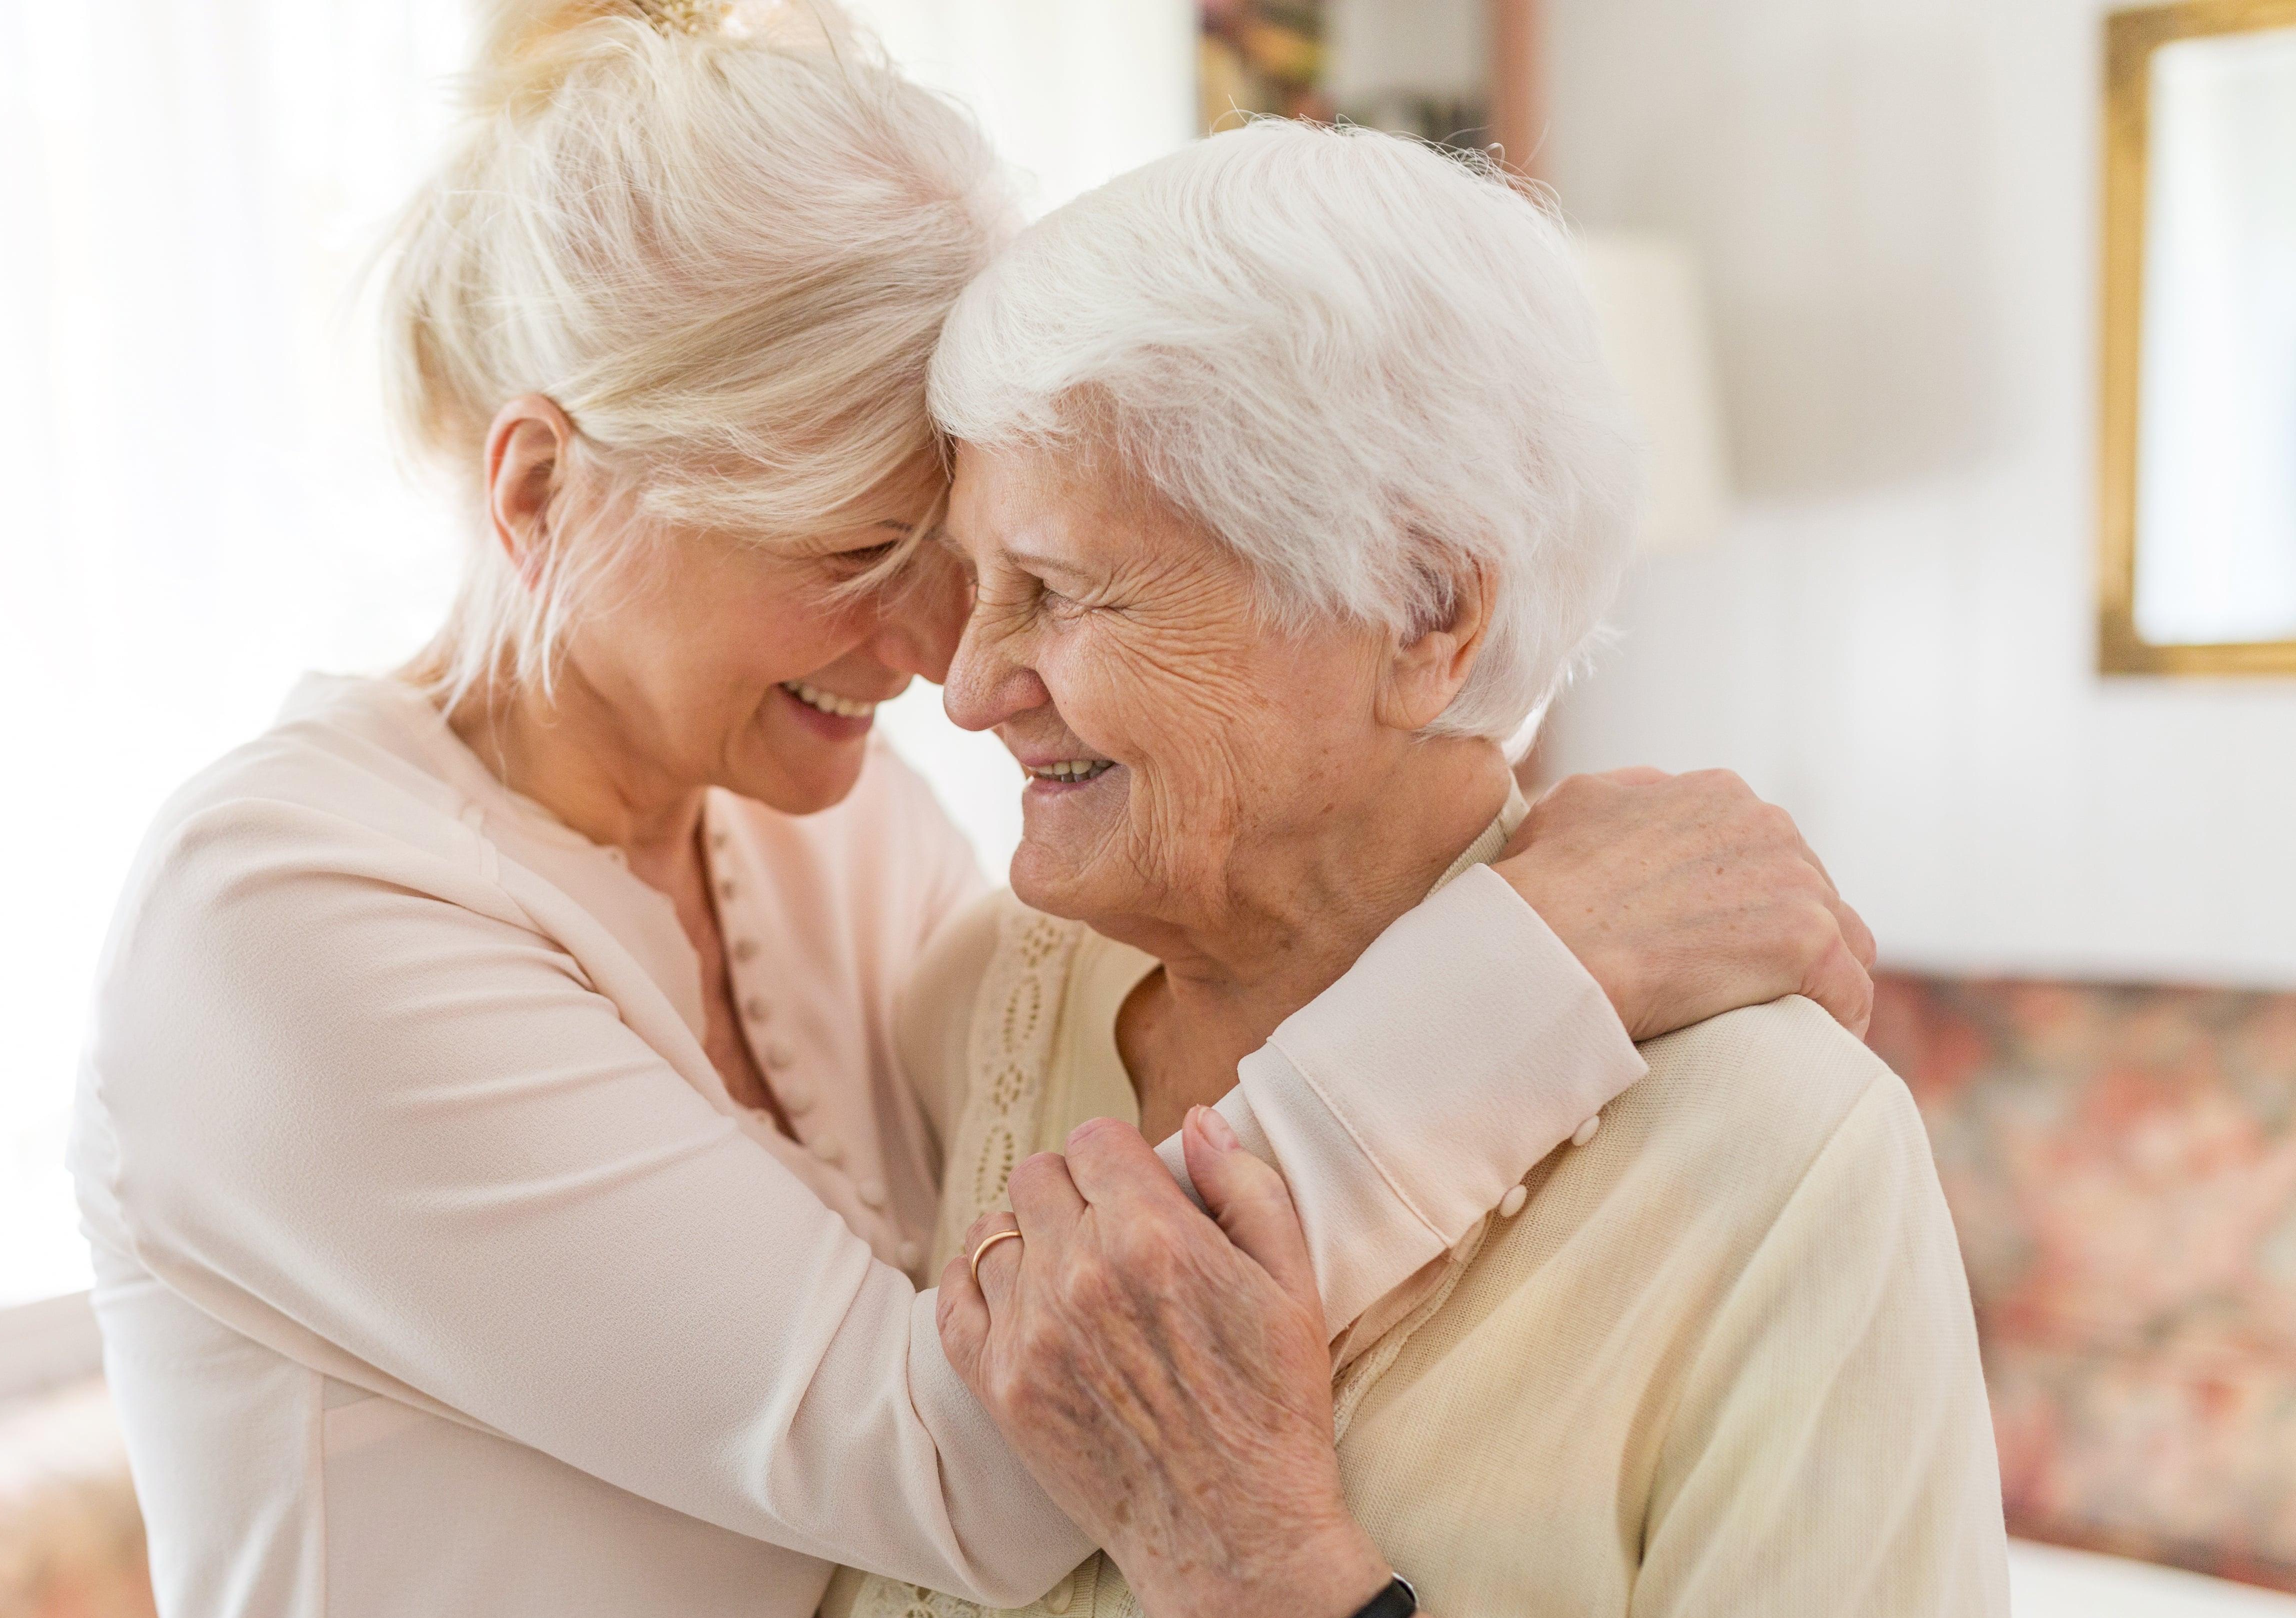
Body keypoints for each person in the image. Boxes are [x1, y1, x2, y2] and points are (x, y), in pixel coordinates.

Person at [67, 4, 1881, 1615]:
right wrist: (1537, 964)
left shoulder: (815, 830)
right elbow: (972, 1456)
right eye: (859, 554)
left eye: (979, 556)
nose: (944, 659)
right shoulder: (287, 923)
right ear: (542, 491)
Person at [848, 123, 2006, 1618]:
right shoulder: (975, 1000)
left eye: (1060, 592)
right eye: (977, 583)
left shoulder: (1784, 1161)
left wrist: (1259, 1564)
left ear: (1422, 612)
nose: (967, 681)